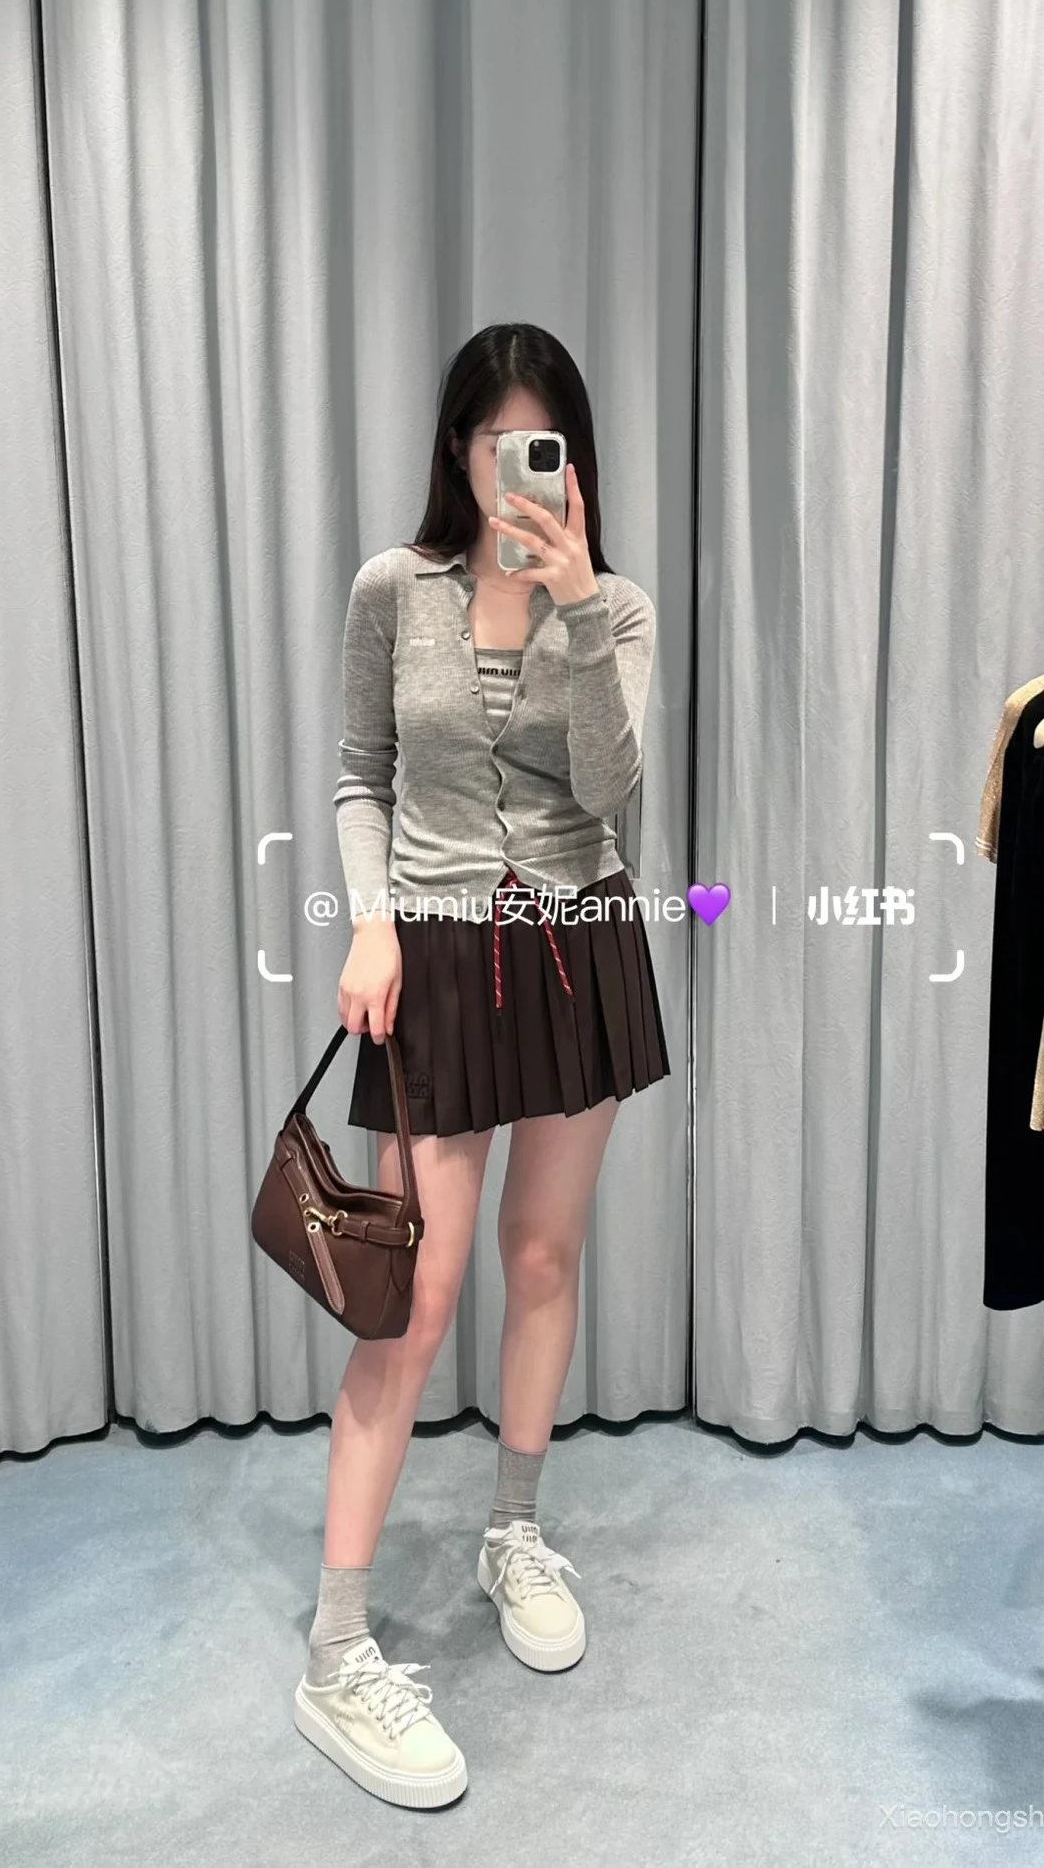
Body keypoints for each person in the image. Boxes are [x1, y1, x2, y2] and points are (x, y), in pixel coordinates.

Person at [292, 322, 671, 1808]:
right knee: (415, 1295)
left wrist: (573, 606)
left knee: (543, 1255)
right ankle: (336, 1650)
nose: (520, 467)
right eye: (497, 439)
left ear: (573, 461)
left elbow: (615, 792)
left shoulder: (617, 607)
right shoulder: (394, 588)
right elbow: (360, 774)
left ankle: (515, 1528)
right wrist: (371, 919)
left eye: (544, 445)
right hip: (442, 958)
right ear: (458, 449)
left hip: (579, 943)